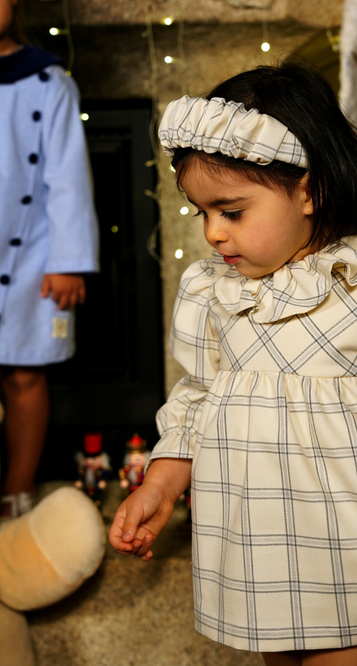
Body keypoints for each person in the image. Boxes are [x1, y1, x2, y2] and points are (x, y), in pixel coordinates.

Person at [110, 60, 357, 666]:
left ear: (309, 190)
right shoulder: (214, 291)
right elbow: (197, 394)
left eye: (232, 211)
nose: (213, 233)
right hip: (259, 557)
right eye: (201, 212)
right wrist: (161, 481)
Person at [0, 0, 99, 517]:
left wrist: (68, 259)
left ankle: (16, 491)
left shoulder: (49, 81)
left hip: (32, 257)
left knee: (23, 373)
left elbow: (66, 177)